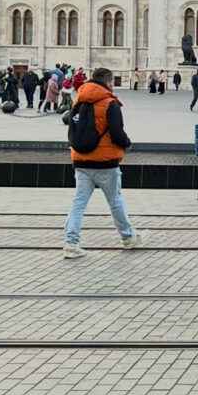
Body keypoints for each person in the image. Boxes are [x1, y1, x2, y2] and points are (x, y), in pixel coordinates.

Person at [62, 67, 146, 259]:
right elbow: (117, 132)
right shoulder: (110, 103)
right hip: (105, 162)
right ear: (109, 83)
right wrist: (126, 144)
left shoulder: (78, 99)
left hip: (81, 160)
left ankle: (71, 243)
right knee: (115, 201)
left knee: (78, 202)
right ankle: (128, 237)